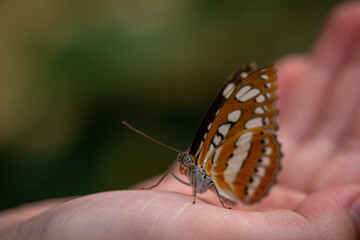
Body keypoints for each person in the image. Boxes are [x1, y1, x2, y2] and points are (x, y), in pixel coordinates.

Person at [1, 2, 359, 239]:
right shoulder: (189, 169)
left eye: (188, 162)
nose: (185, 165)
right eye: (187, 163)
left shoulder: (205, 161)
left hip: (245, 166)